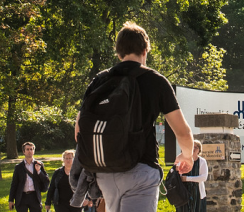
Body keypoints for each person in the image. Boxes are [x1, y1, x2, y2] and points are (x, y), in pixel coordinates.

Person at [75, 21, 196, 212]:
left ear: (118, 53)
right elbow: (182, 132)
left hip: (105, 174)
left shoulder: (100, 80)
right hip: (140, 171)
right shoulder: (156, 81)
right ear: (145, 50)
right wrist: (187, 156)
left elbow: (79, 129)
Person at [8, 142, 50, 212]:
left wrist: (39, 171)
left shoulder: (39, 164)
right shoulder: (19, 167)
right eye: (27, 149)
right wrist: (11, 200)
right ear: (24, 152)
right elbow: (14, 184)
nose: (29, 151)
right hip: (22, 197)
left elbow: (46, 180)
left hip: (34, 196)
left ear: (33, 151)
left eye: (31, 149)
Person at [180, 140, 208, 212]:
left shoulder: (202, 161)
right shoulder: (183, 161)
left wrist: (187, 179)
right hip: (184, 192)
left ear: (199, 150)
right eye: (192, 147)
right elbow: (178, 175)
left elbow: (203, 177)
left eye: (196, 147)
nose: (193, 149)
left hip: (197, 192)